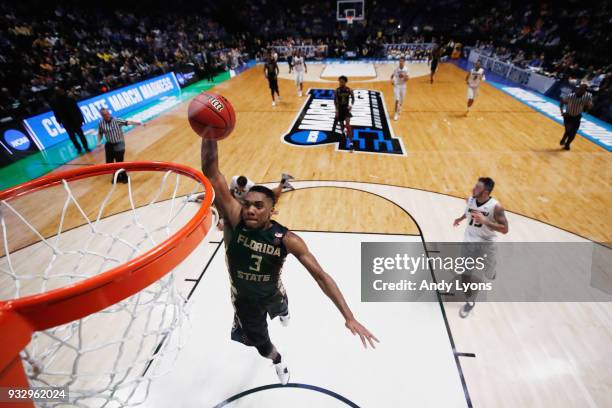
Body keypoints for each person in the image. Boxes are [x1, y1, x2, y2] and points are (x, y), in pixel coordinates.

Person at [200, 138, 378, 384]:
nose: (250, 210)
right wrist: (209, 131)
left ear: (272, 212)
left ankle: (283, 311)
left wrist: (348, 316)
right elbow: (211, 171)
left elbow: (321, 276)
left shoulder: (287, 239)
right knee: (261, 346)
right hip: (244, 301)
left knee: (282, 307)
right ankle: (278, 361)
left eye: (259, 206)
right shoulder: (234, 220)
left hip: (272, 292)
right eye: (247, 205)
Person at [453, 177, 509, 318]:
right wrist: (460, 218)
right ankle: (470, 302)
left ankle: (492, 271)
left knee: (489, 275)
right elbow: (469, 211)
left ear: (486, 192)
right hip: (469, 241)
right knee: (465, 273)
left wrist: (486, 221)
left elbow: (505, 229)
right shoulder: (471, 199)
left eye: (477, 187)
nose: (473, 189)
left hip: (487, 242)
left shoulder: (496, 207)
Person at [97, 108, 145, 183]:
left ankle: (124, 177)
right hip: (109, 144)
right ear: (102, 116)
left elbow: (128, 122)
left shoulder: (117, 120)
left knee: (119, 162)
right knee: (109, 163)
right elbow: (100, 133)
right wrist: (99, 142)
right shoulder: (101, 123)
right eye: (105, 115)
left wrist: (139, 123)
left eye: (108, 114)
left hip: (119, 144)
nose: (107, 116)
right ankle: (116, 177)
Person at [49, 88, 90, 153]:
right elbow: (56, 112)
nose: (61, 92)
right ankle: (79, 148)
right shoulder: (54, 102)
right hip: (67, 121)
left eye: (61, 90)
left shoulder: (70, 98)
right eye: (59, 91)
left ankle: (85, 147)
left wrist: (81, 118)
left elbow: (77, 109)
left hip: (74, 120)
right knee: (73, 137)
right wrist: (58, 120)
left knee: (79, 135)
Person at [559, 82, 593, 150]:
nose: (581, 91)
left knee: (573, 133)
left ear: (585, 91)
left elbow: (589, 104)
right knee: (568, 130)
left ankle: (567, 144)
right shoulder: (571, 96)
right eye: (580, 89)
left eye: (583, 90)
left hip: (577, 116)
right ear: (578, 89)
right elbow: (562, 102)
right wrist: (562, 112)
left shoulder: (588, 96)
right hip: (568, 115)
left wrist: (590, 106)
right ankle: (563, 139)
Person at [230, 173, 295, 203]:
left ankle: (283, 180)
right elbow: (231, 191)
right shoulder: (234, 179)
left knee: (275, 197)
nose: (240, 189)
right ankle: (284, 184)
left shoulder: (251, 186)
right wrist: (234, 200)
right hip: (240, 200)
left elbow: (254, 198)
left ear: (245, 185)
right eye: (239, 187)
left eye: (242, 188)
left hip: (248, 199)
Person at [333, 76, 355, 152]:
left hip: (346, 110)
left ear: (345, 82)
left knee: (348, 125)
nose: (340, 83)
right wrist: (336, 110)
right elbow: (335, 101)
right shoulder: (337, 90)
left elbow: (353, 98)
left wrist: (351, 105)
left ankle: (351, 143)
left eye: (342, 81)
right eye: (339, 81)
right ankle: (343, 133)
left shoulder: (349, 90)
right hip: (340, 110)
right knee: (342, 125)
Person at [390, 56, 409, 121]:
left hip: (403, 86)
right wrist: (392, 80)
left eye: (402, 61)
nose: (400, 62)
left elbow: (407, 79)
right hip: (397, 85)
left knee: (401, 100)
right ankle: (395, 114)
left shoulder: (406, 69)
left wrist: (404, 76)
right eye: (399, 61)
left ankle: (399, 107)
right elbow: (392, 75)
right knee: (397, 100)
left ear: (404, 62)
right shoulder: (396, 69)